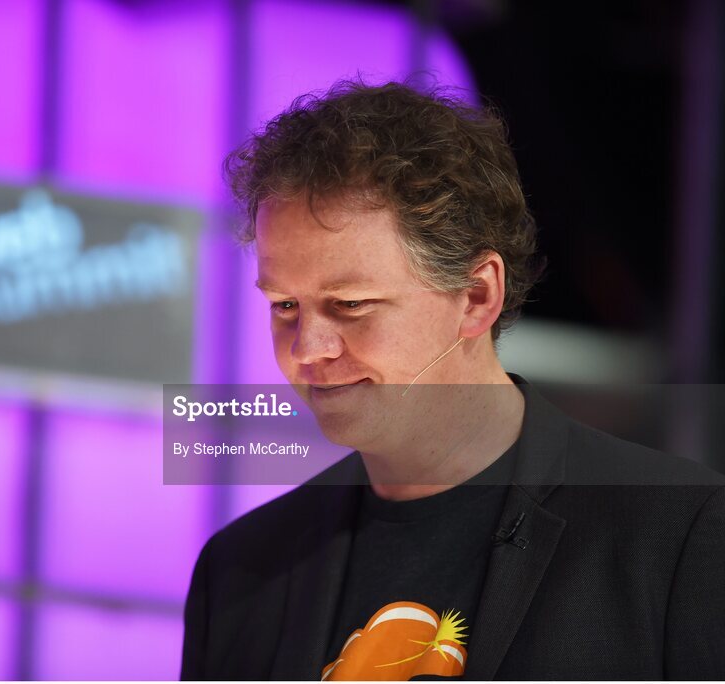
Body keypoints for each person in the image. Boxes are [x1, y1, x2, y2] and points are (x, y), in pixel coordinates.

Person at [180, 80, 725, 680]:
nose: (307, 351)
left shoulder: (678, 532)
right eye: (285, 306)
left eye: (352, 304)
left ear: (476, 296)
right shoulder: (238, 572)